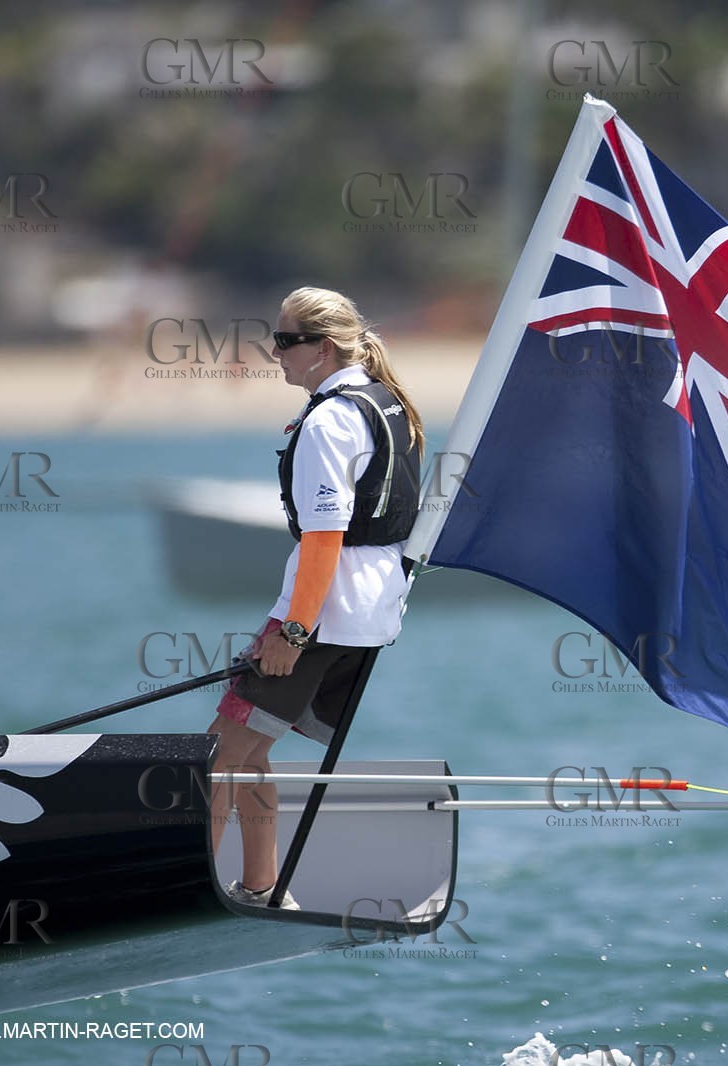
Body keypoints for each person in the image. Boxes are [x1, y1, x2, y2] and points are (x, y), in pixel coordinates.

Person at [206, 286, 424, 909]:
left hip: (327, 615)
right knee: (246, 748)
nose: (274, 353)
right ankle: (260, 884)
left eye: (284, 341)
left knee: (223, 749)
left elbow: (325, 539)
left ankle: (184, 882)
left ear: (322, 349)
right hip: (369, 609)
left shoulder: (330, 420)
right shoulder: (388, 403)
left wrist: (292, 632)